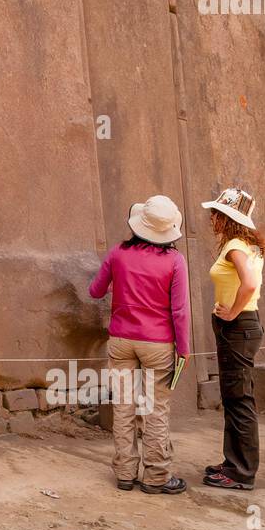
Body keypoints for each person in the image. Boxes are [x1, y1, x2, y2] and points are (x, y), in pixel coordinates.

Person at [89, 195, 191, 494]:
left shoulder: (119, 253)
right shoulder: (175, 261)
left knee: (123, 407)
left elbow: (95, 291)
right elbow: (180, 310)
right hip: (158, 343)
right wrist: (182, 349)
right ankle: (156, 476)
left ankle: (124, 473)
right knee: (154, 409)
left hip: (121, 340)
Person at [201, 188, 265, 491]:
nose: (211, 218)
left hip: (238, 327)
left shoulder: (236, 246)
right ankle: (233, 462)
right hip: (244, 326)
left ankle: (242, 472)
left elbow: (250, 283)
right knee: (235, 396)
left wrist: (231, 313)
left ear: (228, 218)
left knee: (239, 399)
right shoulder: (248, 244)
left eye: (216, 213)